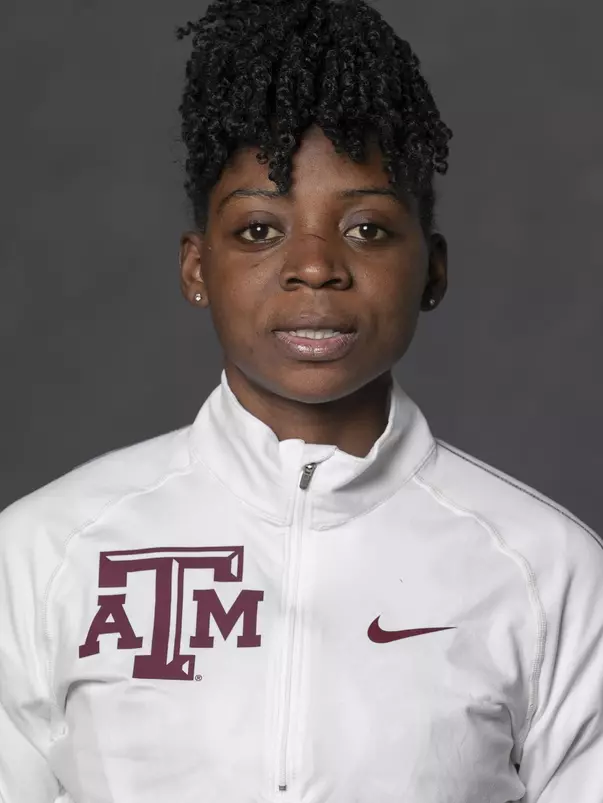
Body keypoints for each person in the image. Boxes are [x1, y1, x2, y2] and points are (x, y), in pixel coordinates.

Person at [0, 0, 601, 800]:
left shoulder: (546, 570)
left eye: (366, 229)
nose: (314, 267)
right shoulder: (44, 552)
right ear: (195, 267)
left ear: (433, 268)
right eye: (257, 229)